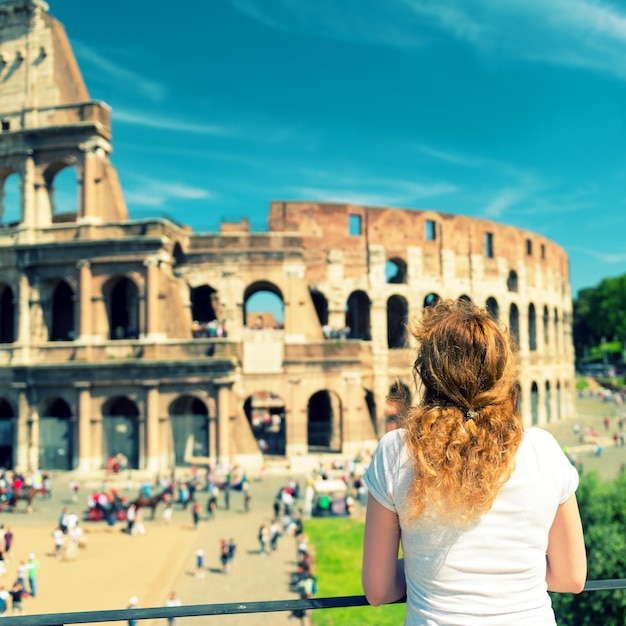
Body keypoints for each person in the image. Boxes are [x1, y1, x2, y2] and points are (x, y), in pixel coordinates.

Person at [362, 299, 587, 626]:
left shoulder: (396, 451)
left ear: (427, 372)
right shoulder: (543, 450)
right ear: (502, 372)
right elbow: (571, 578)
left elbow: (378, 590)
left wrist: (422, 565)